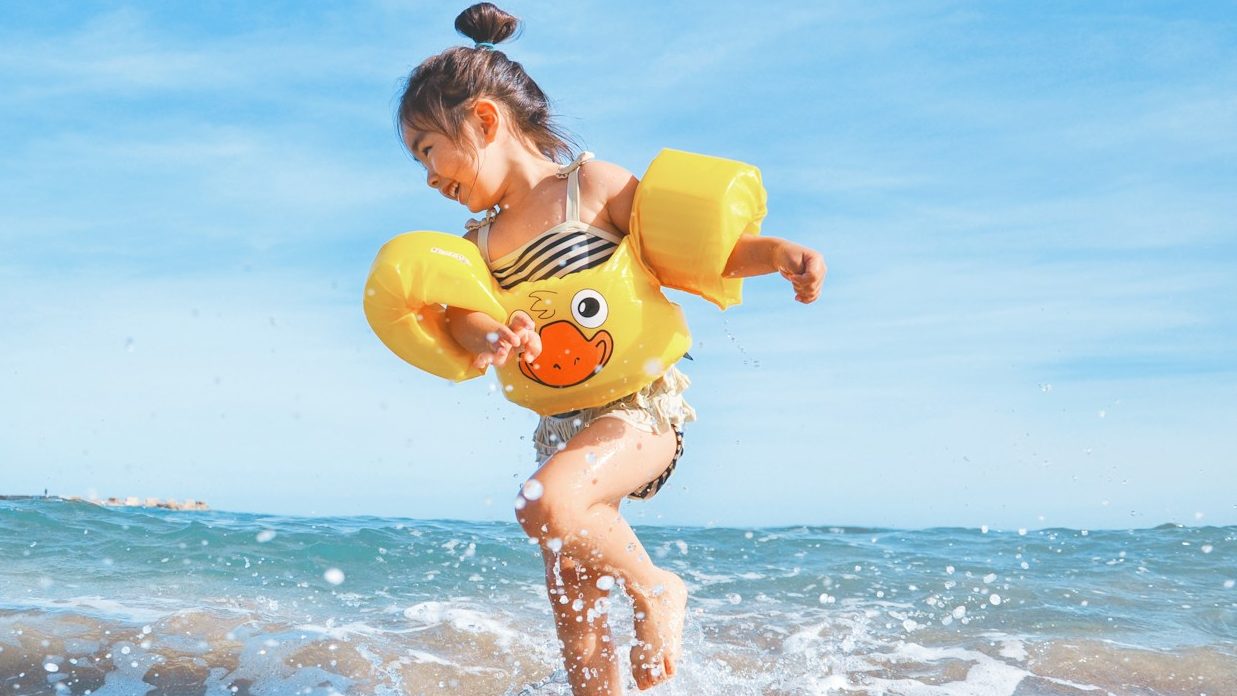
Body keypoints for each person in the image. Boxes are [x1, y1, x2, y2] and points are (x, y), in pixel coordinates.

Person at [393, 4, 825, 693]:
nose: (425, 175)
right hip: (559, 429)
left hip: (638, 412)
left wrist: (774, 253)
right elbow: (469, 320)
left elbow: (698, 251)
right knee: (575, 608)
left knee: (543, 504)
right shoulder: (476, 244)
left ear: (481, 121)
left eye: (425, 149)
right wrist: (492, 336)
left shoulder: (589, 189)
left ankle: (656, 590)